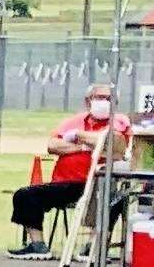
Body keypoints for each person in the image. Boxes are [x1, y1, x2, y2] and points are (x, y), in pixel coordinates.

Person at [10, 90, 119, 255]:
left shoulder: (118, 121)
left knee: (114, 199)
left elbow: (109, 142)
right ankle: (37, 245)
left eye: (108, 98)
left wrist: (78, 136)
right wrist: (83, 147)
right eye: (99, 97)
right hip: (65, 184)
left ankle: (93, 247)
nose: (104, 101)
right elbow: (53, 145)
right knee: (25, 195)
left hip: (98, 183)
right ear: (88, 100)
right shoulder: (74, 122)